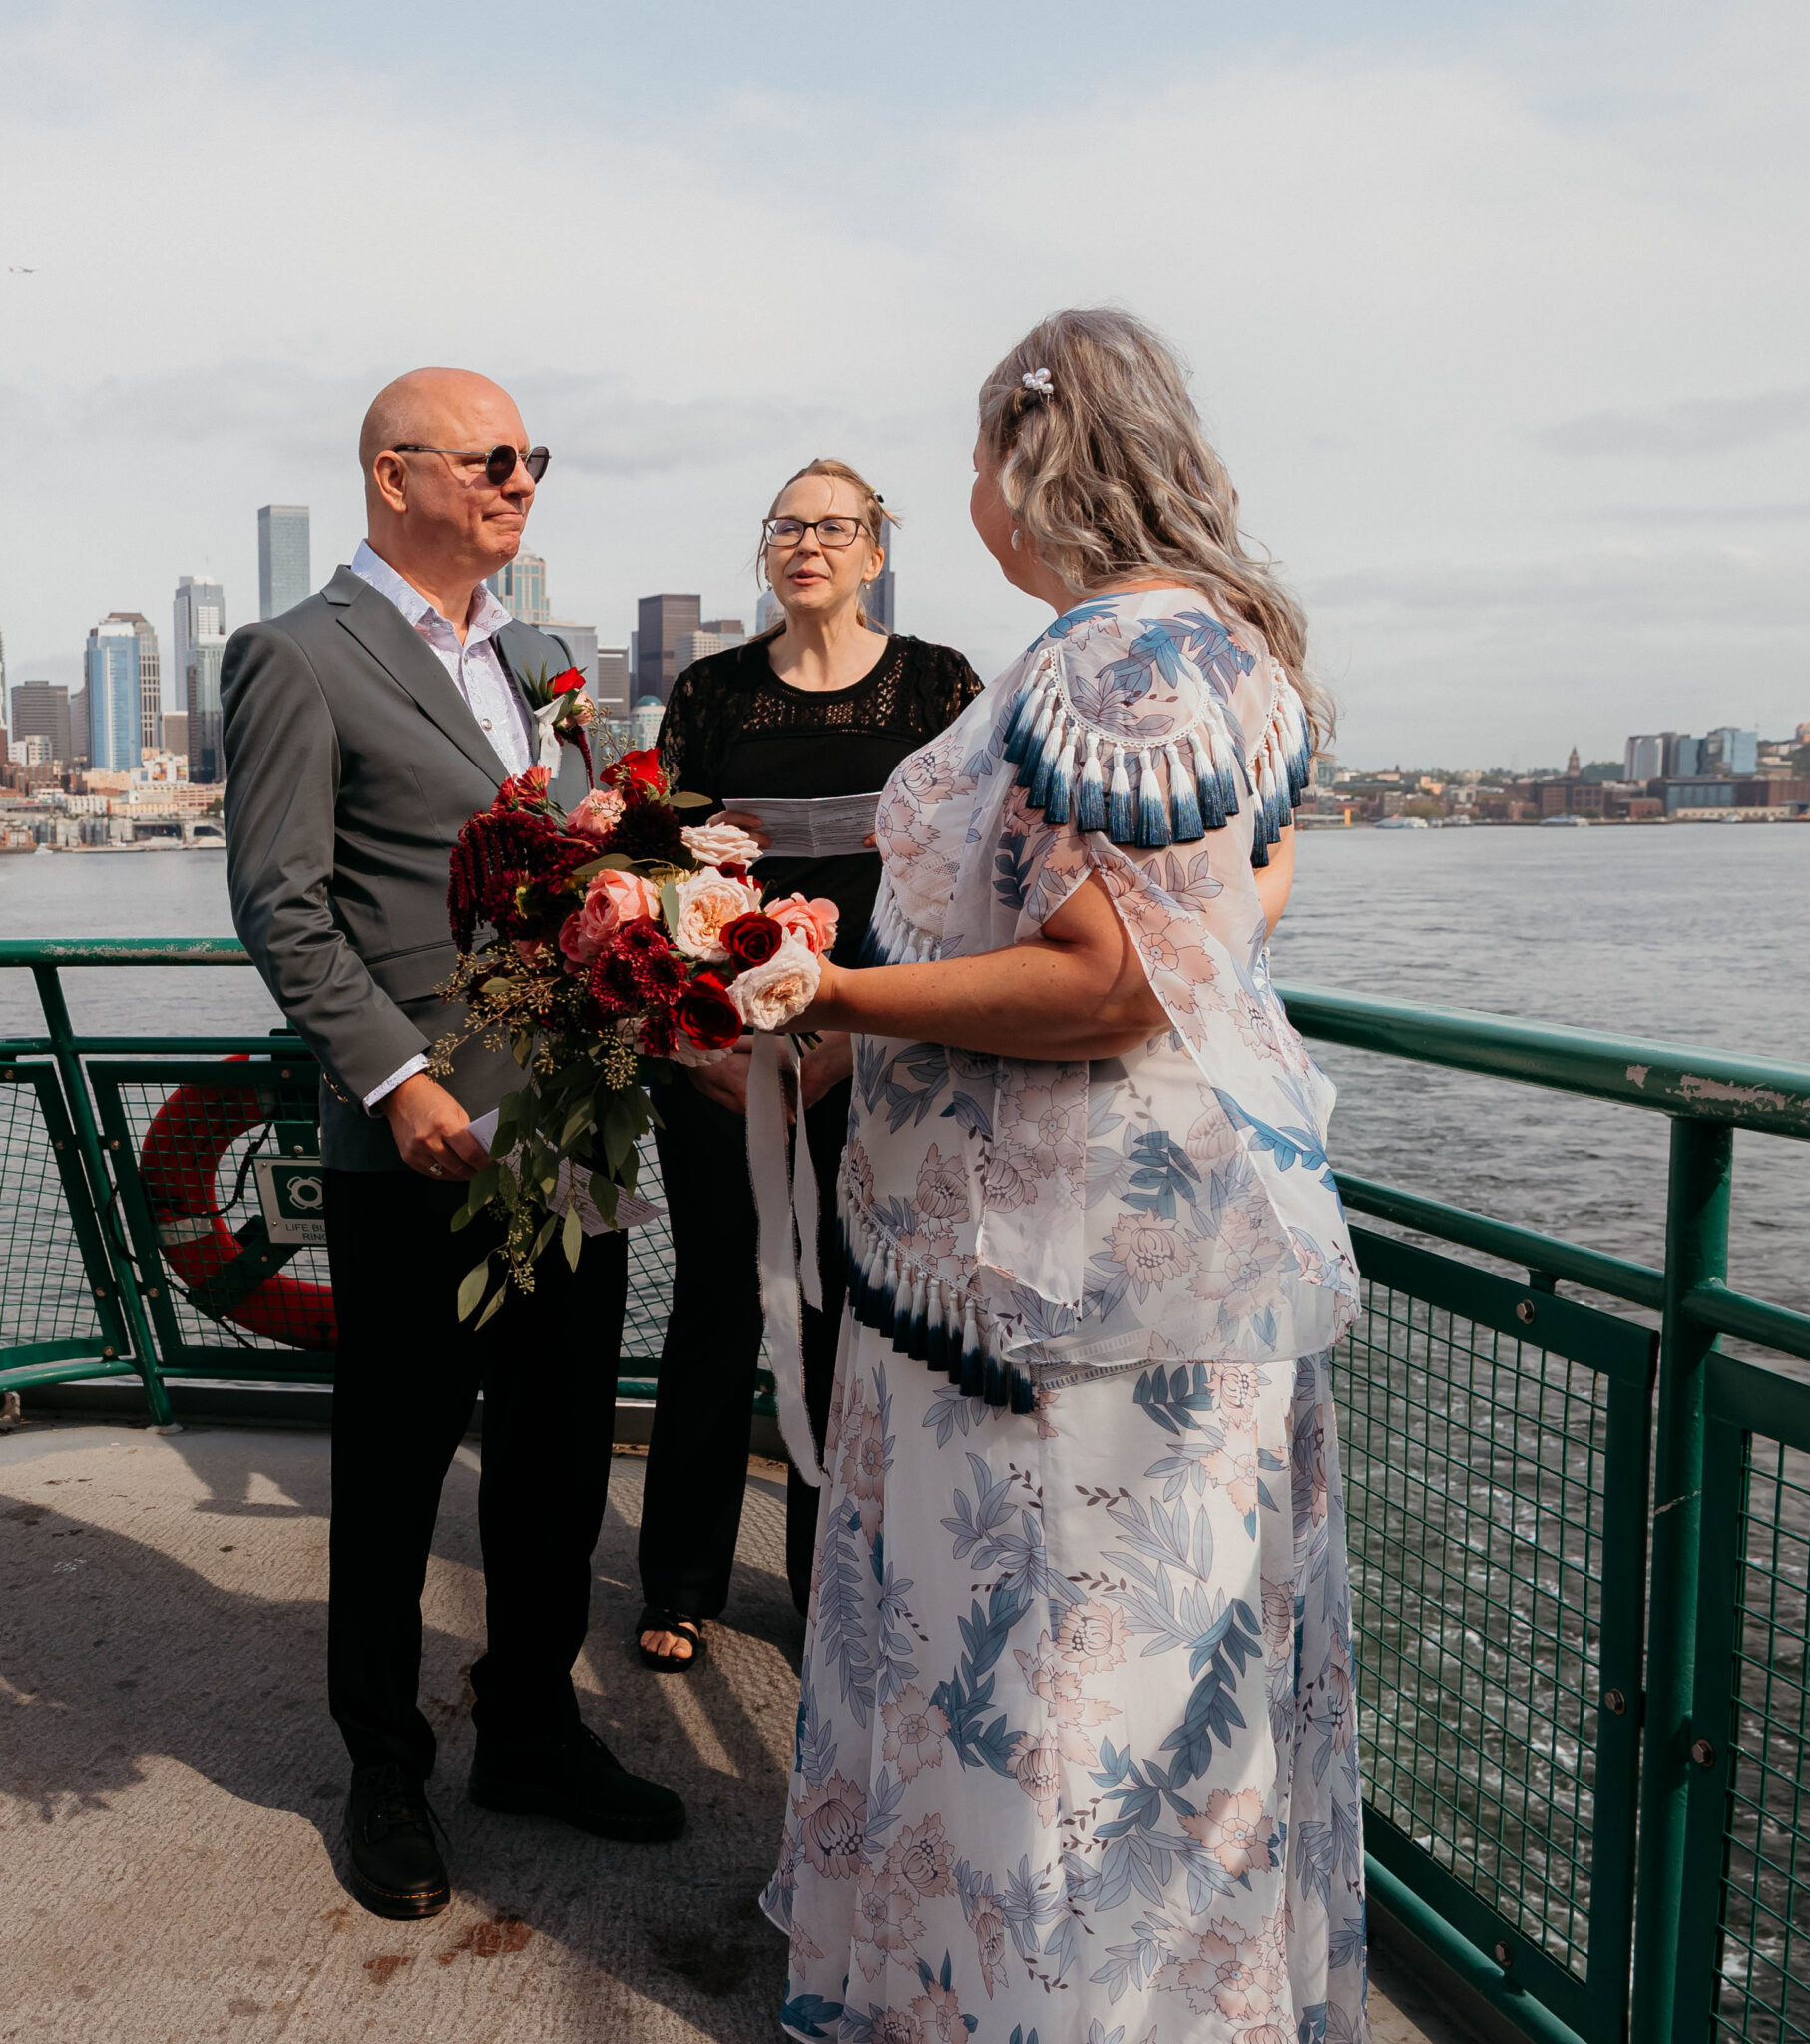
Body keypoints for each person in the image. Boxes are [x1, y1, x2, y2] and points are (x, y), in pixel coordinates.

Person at [760, 312, 1370, 2041]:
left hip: (1054, 1315)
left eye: (972, 461)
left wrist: (839, 990)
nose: (964, 496)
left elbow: (1108, 979)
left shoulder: (1116, 658)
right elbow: (1237, 913)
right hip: (1100, 1286)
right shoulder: (1212, 648)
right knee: (1144, 1707)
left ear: (1034, 470)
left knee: (1058, 1701)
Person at [223, 366, 683, 1926]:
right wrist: (398, 1081)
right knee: (397, 1461)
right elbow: (285, 905)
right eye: (493, 458)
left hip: (569, 1117)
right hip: (416, 1138)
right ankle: (385, 1766)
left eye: (532, 457)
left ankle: (535, 1733)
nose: (521, 481)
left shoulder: (545, 656)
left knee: (558, 1451)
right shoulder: (296, 658)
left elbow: (588, 853)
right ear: (394, 472)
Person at [638, 460, 979, 1672]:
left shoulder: (939, 684)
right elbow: (661, 874)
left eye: (835, 527)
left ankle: (822, 1578)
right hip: (722, 1055)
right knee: (717, 1306)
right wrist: (709, 1039)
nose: (807, 545)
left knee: (847, 1316)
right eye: (787, 526)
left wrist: (855, 1032)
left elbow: (964, 881)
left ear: (875, 550)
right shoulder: (710, 691)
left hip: (877, 1053)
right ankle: (677, 1580)